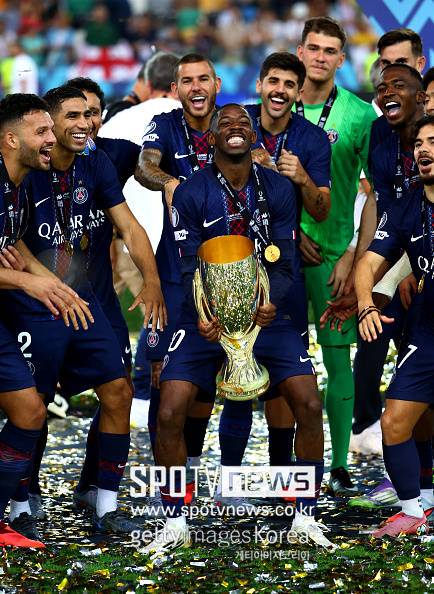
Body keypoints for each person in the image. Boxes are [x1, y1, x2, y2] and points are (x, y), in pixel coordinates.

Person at [146, 103, 335, 553]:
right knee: (169, 410)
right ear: (211, 138)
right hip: (204, 320)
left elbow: (285, 262)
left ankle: (305, 516)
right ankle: (174, 521)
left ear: (254, 137)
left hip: (269, 318)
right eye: (224, 124)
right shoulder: (191, 192)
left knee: (309, 403)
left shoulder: (279, 188)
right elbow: (187, 266)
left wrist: (270, 302)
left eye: (243, 124)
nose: (235, 128)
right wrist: (203, 312)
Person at [2, 85, 165, 540]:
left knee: (118, 390)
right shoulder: (26, 166)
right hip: (30, 304)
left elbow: (128, 223)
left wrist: (152, 281)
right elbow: (13, 242)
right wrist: (39, 283)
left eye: (91, 114)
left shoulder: (96, 160)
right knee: (31, 405)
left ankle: (104, 504)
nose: (85, 123)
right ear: (48, 125)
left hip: (82, 297)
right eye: (72, 116)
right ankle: (20, 505)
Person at [215, 52, 331, 491]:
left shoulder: (312, 139)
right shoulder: (237, 122)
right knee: (237, 377)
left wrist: (300, 179)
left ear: (299, 93)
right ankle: (229, 484)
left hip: (283, 275)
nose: (280, 90)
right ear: (260, 84)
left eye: (289, 84)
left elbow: (321, 210)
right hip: (230, 271)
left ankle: (286, 483)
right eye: (273, 81)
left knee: (284, 383)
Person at [0, 93, 91, 547]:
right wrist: (29, 284)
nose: (52, 139)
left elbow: (14, 245)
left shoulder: (18, 184)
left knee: (30, 410)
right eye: (42, 132)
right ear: (11, 139)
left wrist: (52, 284)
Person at [295, 16, 377, 494]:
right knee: (277, 358)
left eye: (330, 50)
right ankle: (286, 465)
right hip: (280, 257)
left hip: (333, 256)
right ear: (300, 52)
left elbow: (376, 192)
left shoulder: (359, 115)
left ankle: (340, 465)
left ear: (342, 60)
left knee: (337, 359)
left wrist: (353, 253)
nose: (321, 57)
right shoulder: (277, 107)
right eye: (314, 48)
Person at [134, 53, 223, 491]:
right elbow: (143, 165)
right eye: (187, 80)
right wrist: (169, 181)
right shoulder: (166, 125)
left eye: (203, 78)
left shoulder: (234, 123)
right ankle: (166, 484)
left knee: (206, 378)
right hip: (173, 273)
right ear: (175, 89)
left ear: (217, 83)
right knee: (160, 375)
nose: (196, 87)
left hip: (227, 275)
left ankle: (190, 467)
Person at [354, 114, 434, 537]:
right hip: (427, 331)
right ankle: (414, 509)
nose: (424, 150)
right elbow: (367, 263)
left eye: (433, 141)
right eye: (419, 144)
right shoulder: (407, 206)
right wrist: (366, 305)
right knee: (396, 421)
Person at [99, 52, 180, 423]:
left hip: (121, 232)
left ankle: (129, 392)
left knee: (113, 310)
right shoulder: (185, 117)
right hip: (168, 236)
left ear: (147, 83)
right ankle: (148, 394)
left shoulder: (121, 118)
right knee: (162, 312)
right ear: (177, 86)